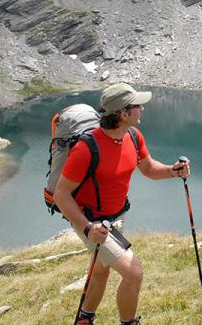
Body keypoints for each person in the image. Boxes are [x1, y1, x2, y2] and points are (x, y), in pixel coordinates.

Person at [54, 82, 190, 325]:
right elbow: (61, 195)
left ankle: (84, 319)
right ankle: (129, 322)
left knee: (100, 270)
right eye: (138, 106)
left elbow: (148, 168)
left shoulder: (133, 136)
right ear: (123, 114)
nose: (143, 110)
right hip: (92, 222)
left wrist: (172, 170)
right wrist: (87, 228)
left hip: (116, 217)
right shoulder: (87, 148)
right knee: (133, 272)